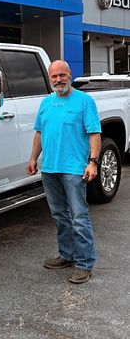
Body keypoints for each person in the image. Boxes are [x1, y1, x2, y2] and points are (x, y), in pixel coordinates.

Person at [26, 60, 101, 284]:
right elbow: (39, 132)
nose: (58, 80)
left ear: (70, 74)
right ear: (49, 79)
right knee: (60, 215)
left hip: (73, 169)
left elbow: (94, 133)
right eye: (54, 77)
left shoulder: (84, 102)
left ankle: (84, 264)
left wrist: (93, 162)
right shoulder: (46, 103)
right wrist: (33, 158)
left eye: (62, 75)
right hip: (49, 169)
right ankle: (67, 255)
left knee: (79, 216)